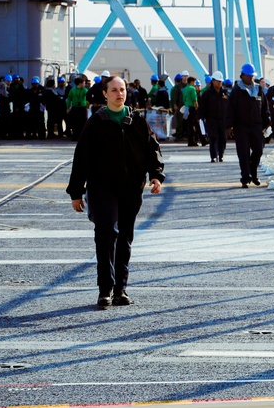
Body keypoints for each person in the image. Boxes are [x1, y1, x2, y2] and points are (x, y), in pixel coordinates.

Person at [66, 76, 165, 309]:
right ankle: (105, 290)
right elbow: (81, 158)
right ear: (105, 94)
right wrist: (76, 192)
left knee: (125, 236)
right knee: (107, 232)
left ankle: (121, 289)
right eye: (114, 90)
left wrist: (156, 176)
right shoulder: (96, 122)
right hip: (102, 187)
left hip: (131, 187)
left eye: (122, 90)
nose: (119, 94)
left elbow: (153, 150)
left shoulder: (137, 121)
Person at [227, 63, 269, 188]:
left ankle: (253, 173)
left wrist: (267, 123)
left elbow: (265, 108)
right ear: (242, 76)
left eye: (252, 76)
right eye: (249, 76)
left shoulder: (258, 90)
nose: (251, 78)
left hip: (256, 125)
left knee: (258, 150)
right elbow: (230, 110)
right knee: (243, 152)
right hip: (241, 126)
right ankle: (245, 177)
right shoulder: (236, 91)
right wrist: (229, 126)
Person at [200, 71, 228, 162]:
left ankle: (221, 155)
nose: (219, 83)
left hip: (223, 119)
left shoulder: (225, 93)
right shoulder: (207, 94)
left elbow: (230, 106)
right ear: (213, 81)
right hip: (211, 119)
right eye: (218, 81)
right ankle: (213, 156)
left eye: (221, 81)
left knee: (223, 138)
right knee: (213, 137)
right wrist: (201, 118)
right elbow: (202, 107)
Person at [182, 75, 200, 146]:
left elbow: (184, 99)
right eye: (194, 82)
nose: (195, 83)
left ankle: (190, 141)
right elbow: (194, 99)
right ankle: (194, 140)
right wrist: (197, 107)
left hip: (187, 108)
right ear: (191, 82)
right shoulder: (192, 89)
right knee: (195, 124)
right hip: (192, 108)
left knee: (189, 125)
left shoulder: (185, 88)